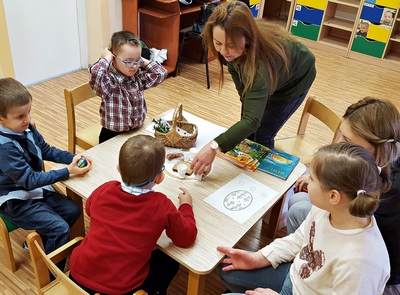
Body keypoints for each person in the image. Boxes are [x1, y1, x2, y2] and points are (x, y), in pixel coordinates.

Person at [217, 142, 390, 295]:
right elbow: (299, 239)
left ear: (333, 196)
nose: (306, 179)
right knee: (226, 268)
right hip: (295, 278)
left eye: (312, 178)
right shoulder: (331, 209)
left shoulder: (361, 264)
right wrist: (259, 258)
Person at [287, 97, 400, 294]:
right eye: (341, 134)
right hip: (341, 244)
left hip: (375, 273)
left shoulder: (387, 194)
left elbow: (354, 243)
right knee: (298, 202)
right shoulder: (370, 166)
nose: (338, 143)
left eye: (346, 140)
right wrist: (321, 179)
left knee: (299, 206)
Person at [190, 1, 316, 176]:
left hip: (295, 78)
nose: (224, 51)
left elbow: (252, 120)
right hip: (272, 71)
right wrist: (248, 117)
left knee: (263, 135)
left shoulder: (261, 68)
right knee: (250, 126)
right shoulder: (234, 39)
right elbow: (244, 93)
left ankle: (265, 184)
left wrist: (214, 146)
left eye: (231, 45)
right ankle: (250, 170)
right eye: (218, 43)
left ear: (247, 38)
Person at [69, 134, 198, 295]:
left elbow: (90, 209)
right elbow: (187, 238)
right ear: (159, 177)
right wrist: (186, 206)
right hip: (121, 289)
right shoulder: (161, 204)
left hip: (76, 275)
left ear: (118, 168)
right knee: (169, 263)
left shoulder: (105, 189)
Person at [0, 77, 91, 264]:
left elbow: (46, 150)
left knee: (73, 210)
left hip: (32, 189)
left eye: (29, 113)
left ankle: (43, 241)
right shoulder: (4, 148)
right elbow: (29, 180)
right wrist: (68, 172)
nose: (28, 120)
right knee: (60, 228)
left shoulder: (27, 129)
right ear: (1, 119)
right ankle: (50, 275)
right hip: (14, 199)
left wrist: (73, 158)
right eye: (20, 117)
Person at [89, 30, 168, 143]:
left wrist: (141, 59)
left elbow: (161, 73)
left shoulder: (137, 77)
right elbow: (96, 73)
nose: (134, 66)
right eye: (128, 61)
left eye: (137, 61)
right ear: (114, 58)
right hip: (112, 136)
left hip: (136, 131)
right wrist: (107, 57)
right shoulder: (109, 82)